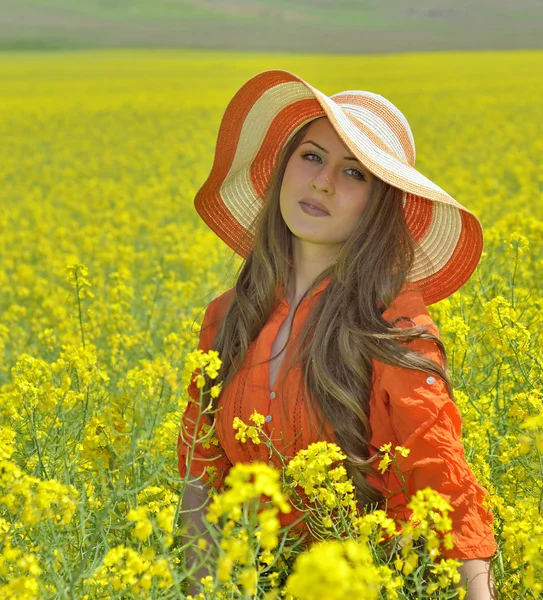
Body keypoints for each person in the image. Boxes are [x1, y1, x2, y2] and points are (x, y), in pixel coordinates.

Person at [177, 69, 498, 598]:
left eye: (355, 173)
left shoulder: (391, 329)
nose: (323, 181)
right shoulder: (226, 319)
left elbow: (440, 478)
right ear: (284, 169)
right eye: (311, 156)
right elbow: (199, 479)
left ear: (378, 205)